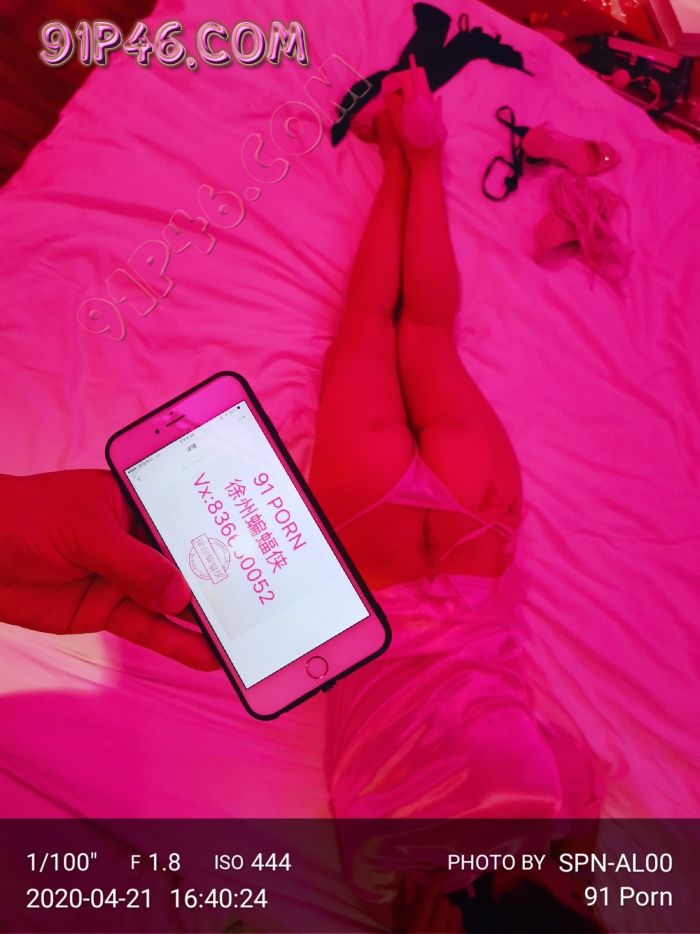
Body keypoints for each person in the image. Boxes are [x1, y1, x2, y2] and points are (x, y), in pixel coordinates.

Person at [307, 60, 602, 920]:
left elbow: (558, 749)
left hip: (474, 542)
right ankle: (399, 156)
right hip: (377, 553)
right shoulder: (374, 867)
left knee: (426, 332)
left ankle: (420, 154)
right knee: (369, 325)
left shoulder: (558, 815)